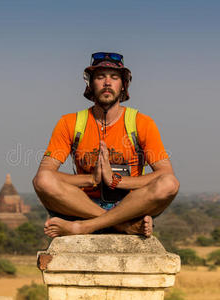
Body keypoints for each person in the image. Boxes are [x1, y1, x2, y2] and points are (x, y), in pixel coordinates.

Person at [33, 52, 179, 238]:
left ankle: (84, 227)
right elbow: (46, 173)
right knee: (42, 180)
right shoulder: (70, 123)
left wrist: (116, 181)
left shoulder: (141, 123)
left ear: (123, 85)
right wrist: (91, 179)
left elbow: (165, 174)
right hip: (83, 203)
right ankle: (122, 226)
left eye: (114, 77)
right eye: (100, 77)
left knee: (169, 183)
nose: (107, 83)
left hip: (130, 203)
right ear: (90, 84)